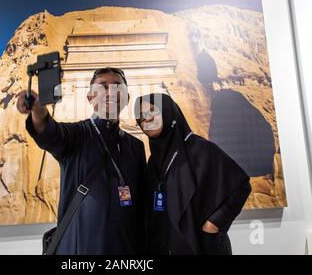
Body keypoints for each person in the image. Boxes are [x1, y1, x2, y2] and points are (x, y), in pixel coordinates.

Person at [16, 67, 146, 255]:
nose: (110, 92)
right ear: (90, 97)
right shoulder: (76, 135)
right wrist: (38, 110)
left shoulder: (135, 147)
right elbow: (51, 133)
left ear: (126, 98)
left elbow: (142, 204)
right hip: (80, 248)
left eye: (117, 87)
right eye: (102, 87)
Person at [134, 93, 251, 255]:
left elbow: (241, 185)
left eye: (152, 111)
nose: (145, 119)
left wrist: (214, 224)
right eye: (140, 116)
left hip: (201, 246)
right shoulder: (154, 161)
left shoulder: (200, 149)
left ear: (168, 112)